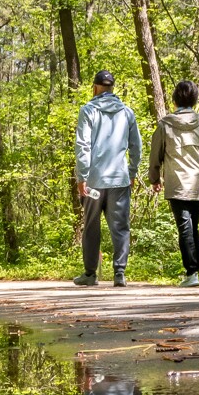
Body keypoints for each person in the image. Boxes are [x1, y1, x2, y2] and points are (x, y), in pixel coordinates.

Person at [148, 80, 199, 288]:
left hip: (177, 182)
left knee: (185, 227)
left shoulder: (166, 124)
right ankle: (194, 272)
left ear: (174, 100)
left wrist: (154, 178)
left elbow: (155, 154)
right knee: (193, 227)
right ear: (195, 99)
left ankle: (192, 272)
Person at [74, 70, 142, 288]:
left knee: (91, 225)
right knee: (120, 227)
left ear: (94, 87)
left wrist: (81, 176)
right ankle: (119, 273)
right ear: (112, 88)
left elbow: (83, 146)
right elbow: (136, 147)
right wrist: (131, 172)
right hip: (119, 179)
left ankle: (90, 274)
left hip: (94, 179)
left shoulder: (88, 111)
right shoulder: (127, 113)